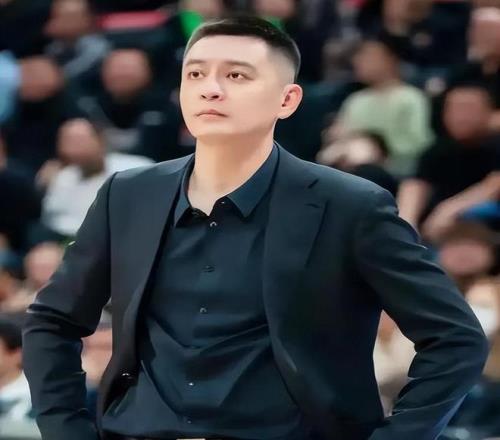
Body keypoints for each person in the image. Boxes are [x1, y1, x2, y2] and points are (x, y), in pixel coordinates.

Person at [23, 16, 488, 440]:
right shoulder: (127, 194)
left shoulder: (351, 205)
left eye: (236, 76)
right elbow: (53, 321)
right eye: (195, 74)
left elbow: (456, 339)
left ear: (287, 100)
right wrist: (67, 431)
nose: (210, 89)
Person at [397, 85, 500, 242]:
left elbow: (494, 186)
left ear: (490, 113)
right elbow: (415, 185)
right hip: (435, 229)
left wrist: (448, 210)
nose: (461, 116)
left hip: (481, 223)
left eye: (469, 109)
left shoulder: (495, 144)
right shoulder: (437, 150)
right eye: (453, 109)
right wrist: (406, 224)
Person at [330, 36, 434, 176]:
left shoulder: (411, 98)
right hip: (351, 170)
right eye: (358, 56)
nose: (358, 61)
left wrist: (379, 149)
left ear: (391, 59)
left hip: (395, 173)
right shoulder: (355, 100)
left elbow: (419, 145)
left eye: (368, 56)